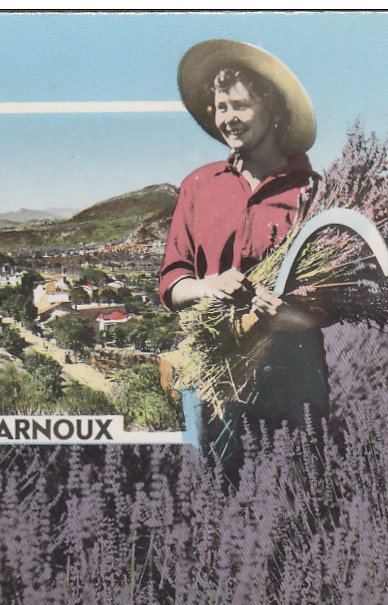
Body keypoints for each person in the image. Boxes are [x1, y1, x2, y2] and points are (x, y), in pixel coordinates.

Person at [159, 40, 333, 479]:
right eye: (220, 107)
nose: (228, 118)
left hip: (289, 368)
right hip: (212, 365)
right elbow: (172, 281)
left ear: (273, 110)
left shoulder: (311, 192)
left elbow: (334, 295)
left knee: (297, 495)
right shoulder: (199, 186)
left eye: (241, 105)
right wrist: (207, 285)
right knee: (212, 495)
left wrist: (289, 315)